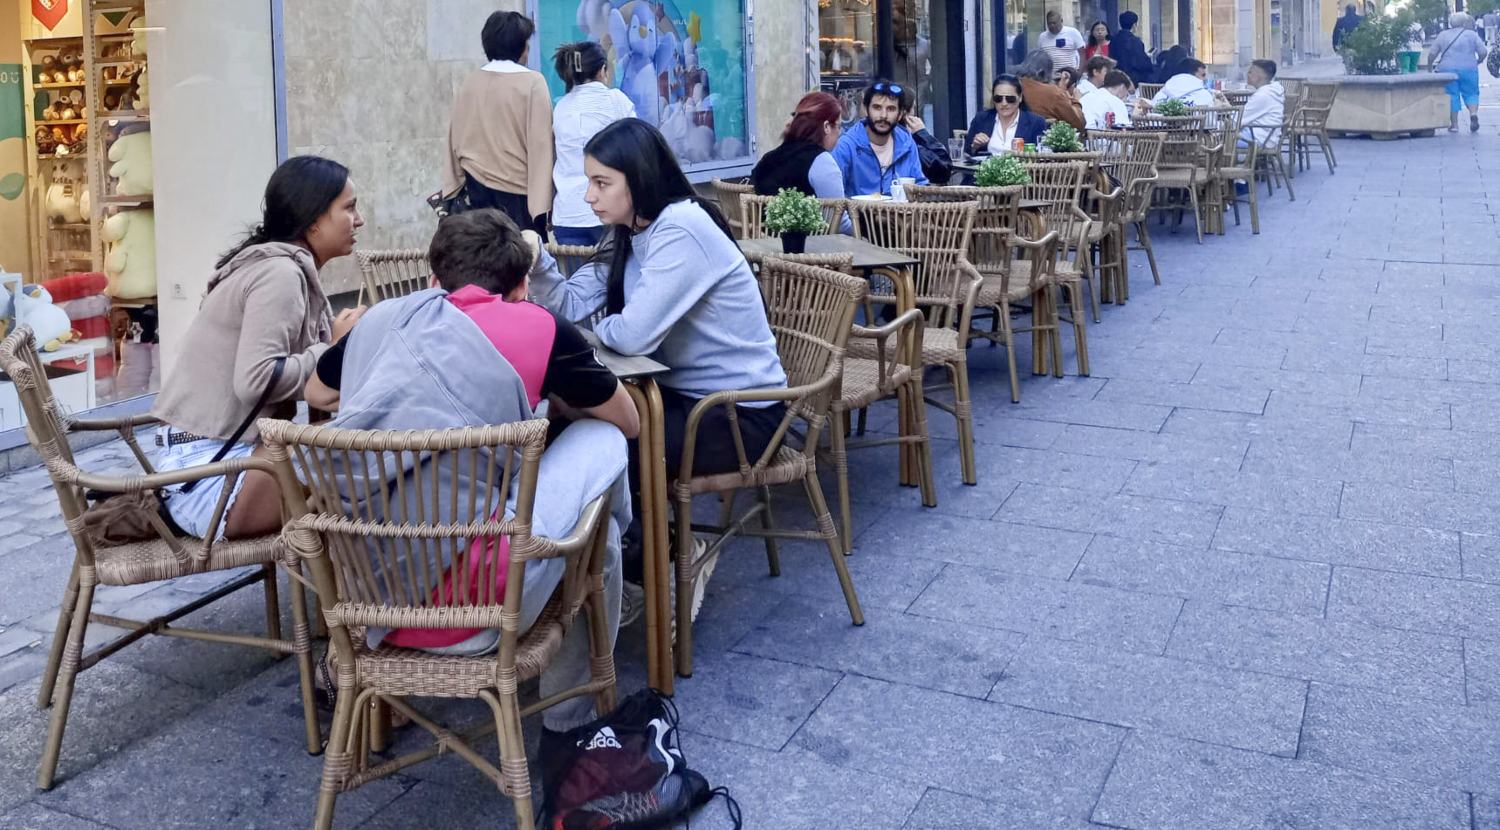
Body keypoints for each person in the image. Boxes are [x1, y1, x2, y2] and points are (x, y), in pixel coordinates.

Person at [309, 208, 634, 752]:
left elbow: (317, 393)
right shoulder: (538, 325)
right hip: (484, 611)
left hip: (371, 600)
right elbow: (628, 420)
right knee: (601, 473)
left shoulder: (383, 320)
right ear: (522, 285)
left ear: (432, 280)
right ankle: (570, 726)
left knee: (585, 530)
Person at [525, 119, 788, 585]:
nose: (588, 196)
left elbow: (632, 337)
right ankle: (600, 568)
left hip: (740, 414)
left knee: (612, 443)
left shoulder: (681, 228)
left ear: (639, 177)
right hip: (682, 399)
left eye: (601, 183)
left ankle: (654, 569)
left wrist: (600, 331)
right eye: (589, 182)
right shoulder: (628, 232)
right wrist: (538, 260)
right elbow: (568, 304)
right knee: (561, 424)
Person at [150, 155, 364, 540]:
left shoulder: (281, 267)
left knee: (364, 448)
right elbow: (256, 380)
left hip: (210, 462)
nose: (359, 220)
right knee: (373, 458)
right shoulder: (279, 275)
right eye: (349, 208)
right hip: (208, 478)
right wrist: (332, 350)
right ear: (314, 220)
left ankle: (352, 574)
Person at [442, 11, 553, 235]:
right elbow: (541, 147)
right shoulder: (533, 82)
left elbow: (454, 138)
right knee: (521, 253)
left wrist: (452, 186)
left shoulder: (470, 82)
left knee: (481, 251)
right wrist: (542, 208)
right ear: (521, 46)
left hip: (475, 189)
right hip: (519, 194)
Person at [550, 41, 635, 247]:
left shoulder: (561, 107)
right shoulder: (616, 100)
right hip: (610, 212)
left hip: (567, 215)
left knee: (575, 270)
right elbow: (637, 149)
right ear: (602, 70)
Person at [750, 91, 852, 232]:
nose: (840, 133)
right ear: (827, 127)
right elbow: (839, 224)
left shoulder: (767, 158)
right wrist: (871, 232)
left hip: (767, 242)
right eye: (839, 126)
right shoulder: (822, 162)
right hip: (810, 243)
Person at [830, 80, 929, 196]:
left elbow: (920, 186)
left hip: (901, 208)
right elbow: (833, 197)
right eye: (877, 108)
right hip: (856, 208)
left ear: (900, 114)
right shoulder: (846, 146)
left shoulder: (907, 143)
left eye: (891, 109)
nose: (883, 115)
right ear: (866, 110)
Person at [1430, 12, 1488, 132]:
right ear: (1464, 22)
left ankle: (1455, 125)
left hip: (1447, 70)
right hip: (1469, 68)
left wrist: (1429, 65)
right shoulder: (1472, 35)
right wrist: (1479, 60)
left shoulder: (1443, 35)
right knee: (1472, 93)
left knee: (1452, 95)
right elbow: (1483, 51)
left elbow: (1432, 53)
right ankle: (1473, 114)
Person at [964, 74, 1049, 153]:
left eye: (1010, 99)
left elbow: (1043, 154)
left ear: (1020, 98)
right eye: (998, 99)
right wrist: (974, 146)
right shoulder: (981, 119)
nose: (1004, 103)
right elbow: (966, 153)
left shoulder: (1036, 123)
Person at [1016, 49, 1087, 130]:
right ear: (1045, 72)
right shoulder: (1053, 93)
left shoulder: (1012, 85)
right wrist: (1075, 101)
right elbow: (1078, 124)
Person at [1238, 59, 1285, 148]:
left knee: (1221, 139)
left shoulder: (1263, 95)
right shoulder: (1271, 91)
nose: (1247, 74)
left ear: (1260, 76)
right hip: (1266, 136)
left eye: (1250, 72)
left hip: (1259, 139)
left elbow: (1239, 119)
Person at [1152, 58, 1219, 107]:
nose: (1205, 79)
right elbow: (1211, 119)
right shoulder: (1204, 96)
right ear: (1191, 76)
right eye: (1203, 75)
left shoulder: (1160, 95)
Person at [1112, 11, 1156, 84]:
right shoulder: (1136, 41)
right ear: (1134, 25)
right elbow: (1141, 63)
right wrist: (1146, 57)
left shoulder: (1113, 39)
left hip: (1116, 77)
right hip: (1132, 79)